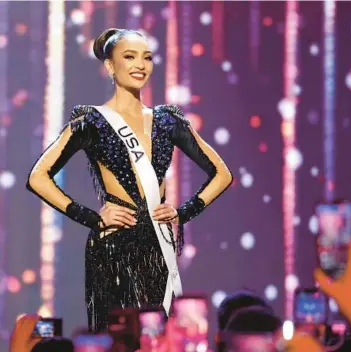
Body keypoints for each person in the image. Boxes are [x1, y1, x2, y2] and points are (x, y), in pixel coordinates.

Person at [26, 28, 233, 333]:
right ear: (109, 65)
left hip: (158, 244)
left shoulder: (166, 121)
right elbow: (38, 177)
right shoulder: (92, 122)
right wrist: (91, 218)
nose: (140, 64)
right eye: (129, 56)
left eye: (146, 57)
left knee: (162, 336)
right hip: (114, 247)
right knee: (120, 336)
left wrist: (184, 212)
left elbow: (222, 173)